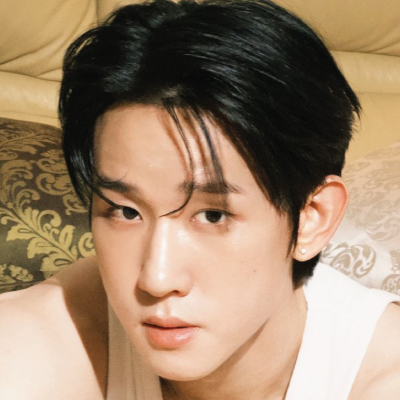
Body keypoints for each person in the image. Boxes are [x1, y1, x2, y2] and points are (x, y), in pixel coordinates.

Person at [0, 0, 399, 398]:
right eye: (126, 212)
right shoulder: (36, 342)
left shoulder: (381, 377)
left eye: (212, 216)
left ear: (312, 217)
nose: (156, 279)